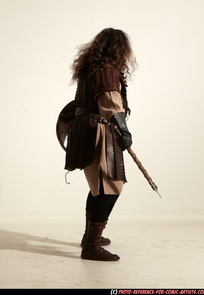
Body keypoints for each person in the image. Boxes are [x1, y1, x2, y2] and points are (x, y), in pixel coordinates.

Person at [64, 28, 136, 261]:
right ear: (119, 50)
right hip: (99, 131)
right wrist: (123, 131)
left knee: (98, 186)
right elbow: (111, 103)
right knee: (111, 186)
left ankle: (89, 237)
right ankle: (92, 246)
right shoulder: (106, 71)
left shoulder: (90, 70)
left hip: (85, 129)